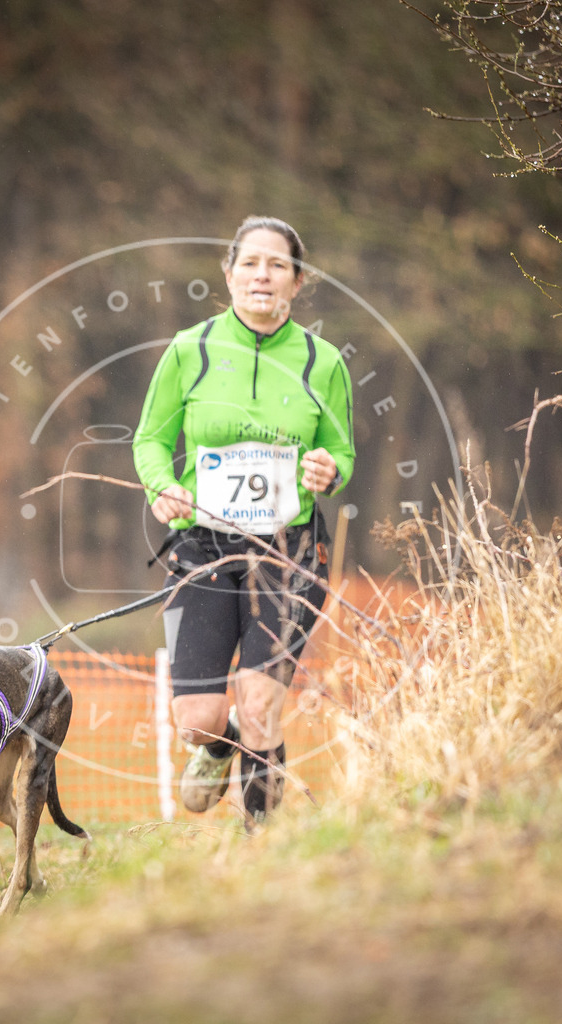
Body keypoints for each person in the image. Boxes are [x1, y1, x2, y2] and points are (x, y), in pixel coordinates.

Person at [133, 216, 355, 828]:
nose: (263, 275)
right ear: (228, 275)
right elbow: (151, 440)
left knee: (261, 705)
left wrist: (329, 469)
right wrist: (161, 486)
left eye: (277, 265)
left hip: (290, 552)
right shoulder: (191, 350)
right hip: (203, 548)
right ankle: (218, 743)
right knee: (197, 721)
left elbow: (342, 451)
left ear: (297, 281)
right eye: (250, 263)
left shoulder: (324, 362)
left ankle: (259, 844)